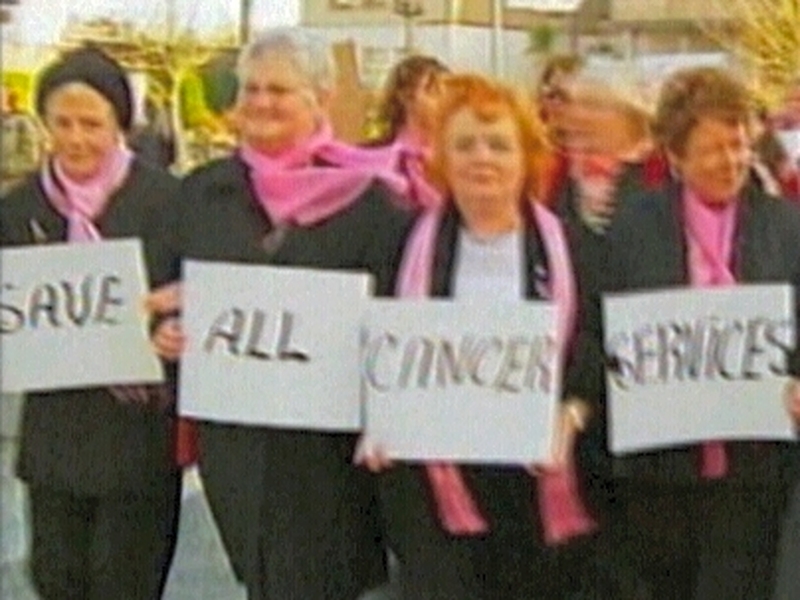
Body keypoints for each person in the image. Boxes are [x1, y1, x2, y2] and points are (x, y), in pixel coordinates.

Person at [146, 29, 414, 600]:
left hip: (327, 453)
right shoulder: (201, 193)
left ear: (318, 97)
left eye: (280, 90)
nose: (261, 102)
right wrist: (163, 332)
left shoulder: (373, 204)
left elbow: (399, 323)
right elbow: (163, 287)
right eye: (251, 89)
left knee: (319, 579)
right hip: (236, 440)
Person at [359, 73, 598, 600]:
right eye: (464, 144)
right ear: (441, 157)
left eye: (498, 144)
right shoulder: (399, 245)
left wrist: (570, 417)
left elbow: (594, 353)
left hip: (539, 483)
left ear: (525, 157)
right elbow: (374, 347)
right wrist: (381, 418)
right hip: (435, 491)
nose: (481, 158)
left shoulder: (574, 247)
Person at [593, 66, 800, 600]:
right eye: (712, 148)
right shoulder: (635, 226)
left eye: (738, 145)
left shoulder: (784, 225)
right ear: (677, 157)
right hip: (659, 470)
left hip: (753, 467)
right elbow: (603, 327)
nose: (730, 161)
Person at [0, 47, 181, 600]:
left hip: (139, 434)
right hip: (55, 433)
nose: (76, 139)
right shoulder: (20, 207)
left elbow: (195, 288)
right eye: (63, 123)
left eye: (92, 124)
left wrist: (174, 325)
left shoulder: (166, 201)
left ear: (119, 126)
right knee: (57, 578)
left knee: (124, 582)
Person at [370, 54, 449, 209]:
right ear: (405, 96)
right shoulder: (373, 159)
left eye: (447, 92)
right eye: (433, 92)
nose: (443, 100)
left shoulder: (455, 161)